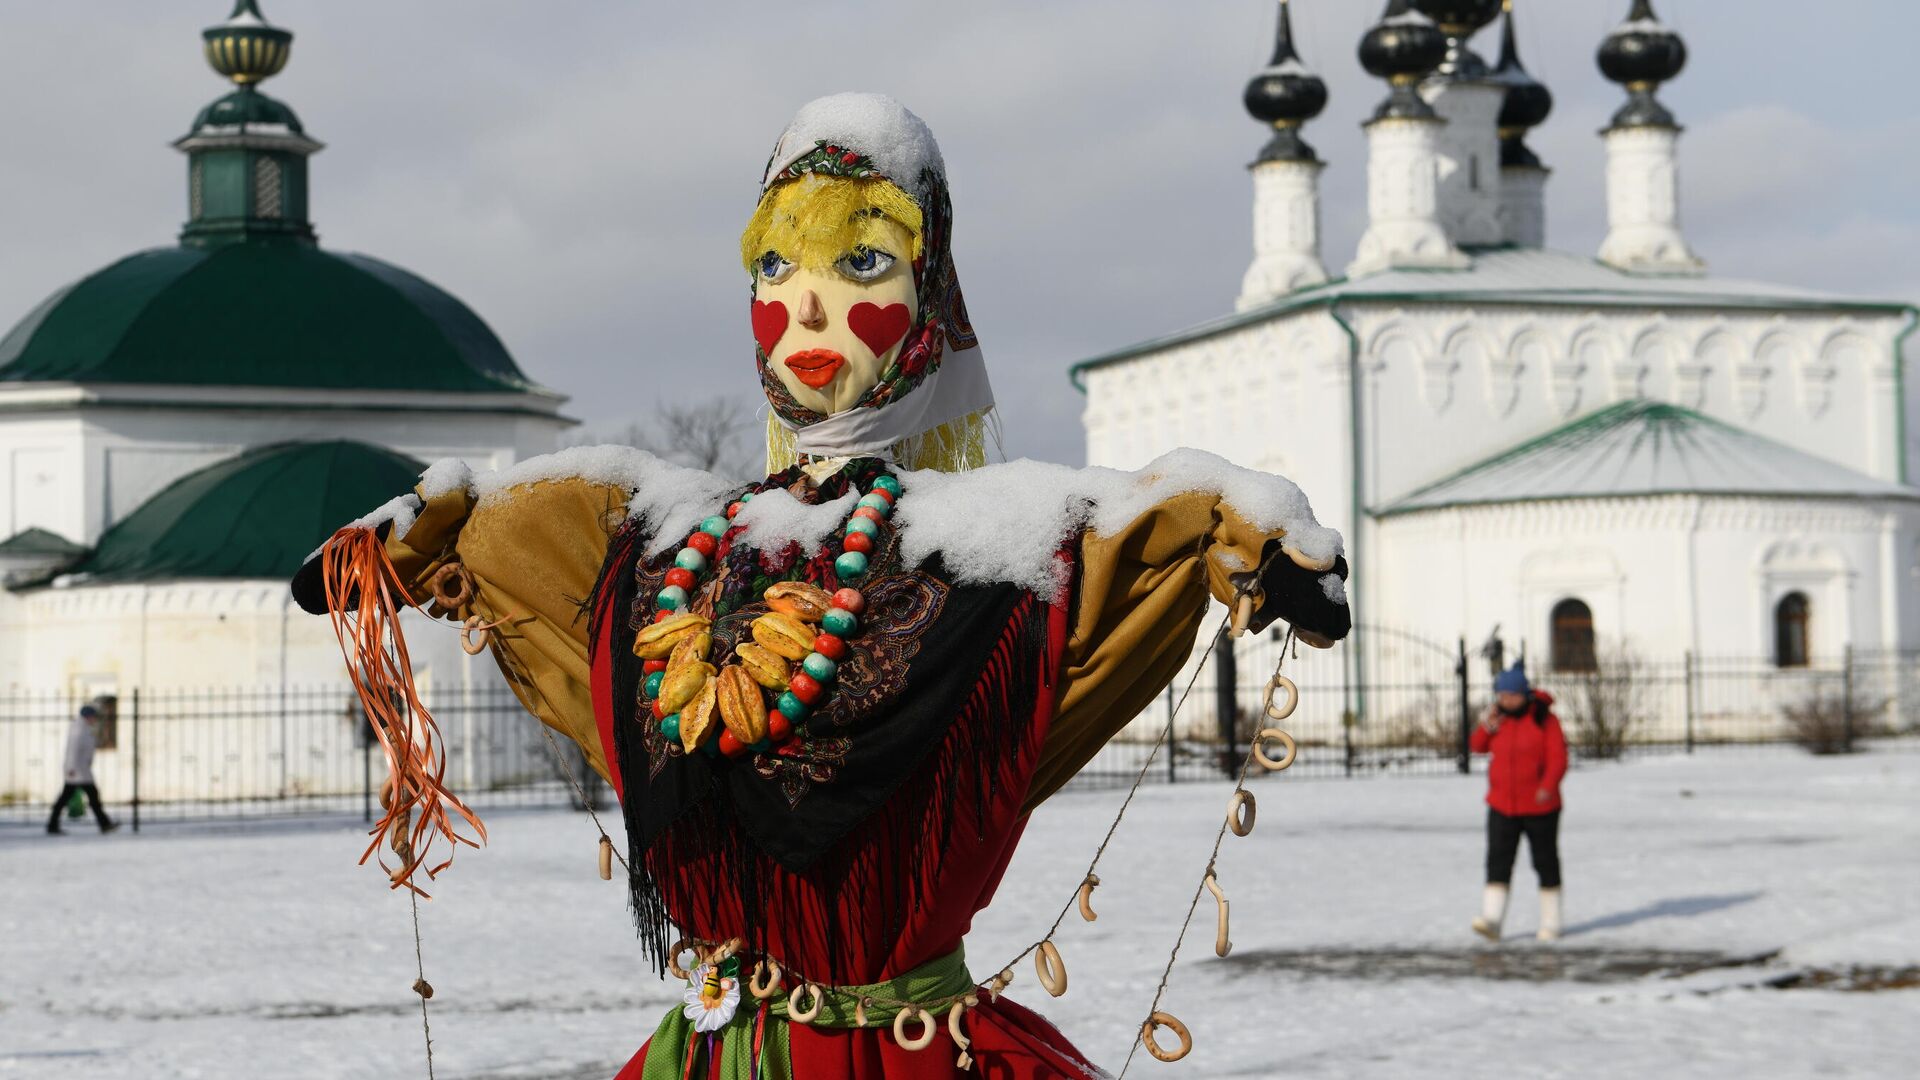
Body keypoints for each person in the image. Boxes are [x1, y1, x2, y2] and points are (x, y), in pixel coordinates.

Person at [294, 93, 1352, 1078]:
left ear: (929, 294)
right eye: (773, 267)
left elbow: (1157, 518)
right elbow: (528, 516)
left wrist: (1243, 523)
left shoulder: (1000, 552)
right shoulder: (669, 541)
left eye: (861, 262)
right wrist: (432, 529)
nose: (808, 308)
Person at [1468, 661, 1566, 942]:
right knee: (1498, 861)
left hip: (1540, 806)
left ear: (1525, 694)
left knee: (1545, 861)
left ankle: (1552, 922)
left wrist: (1547, 786)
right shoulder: (1499, 719)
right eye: (1501, 695)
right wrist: (1487, 727)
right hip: (1502, 805)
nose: (1506, 700)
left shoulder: (1545, 719)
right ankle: (1492, 921)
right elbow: (1476, 747)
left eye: (1511, 695)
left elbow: (1558, 758)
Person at [47, 701, 118, 835]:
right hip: (76, 771)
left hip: (81, 770)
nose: (95, 719)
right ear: (88, 716)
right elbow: (73, 750)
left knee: (87, 798)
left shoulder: (83, 727)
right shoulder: (78, 728)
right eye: (94, 716)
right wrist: (71, 769)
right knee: (68, 799)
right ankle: (52, 825)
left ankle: (104, 824)